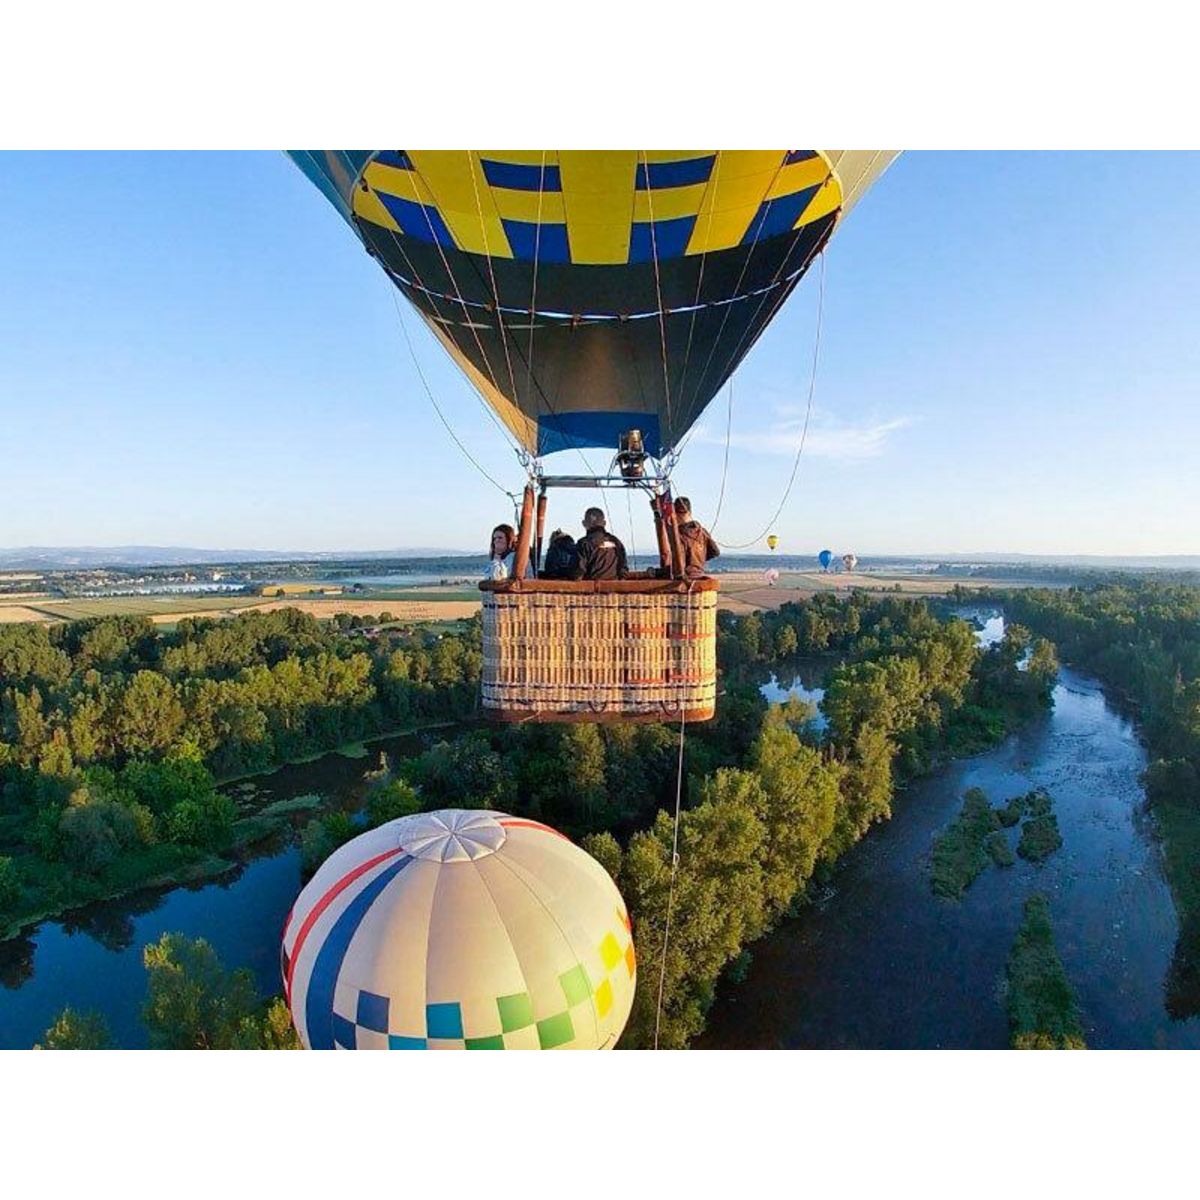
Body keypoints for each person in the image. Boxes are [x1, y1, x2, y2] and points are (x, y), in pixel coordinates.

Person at [573, 507, 628, 580]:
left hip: (591, 586)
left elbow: (578, 573)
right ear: (604, 523)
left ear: (584, 523)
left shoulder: (583, 544)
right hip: (615, 585)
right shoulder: (616, 542)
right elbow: (624, 570)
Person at [673, 497, 719, 578]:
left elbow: (679, 563)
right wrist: (699, 561)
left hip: (686, 579)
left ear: (675, 514)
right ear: (690, 512)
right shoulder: (703, 531)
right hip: (700, 574)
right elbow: (715, 552)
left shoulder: (679, 535)